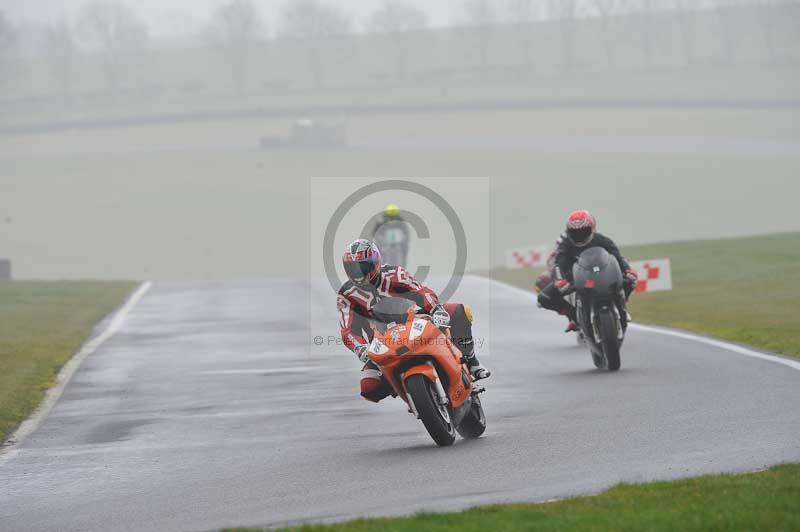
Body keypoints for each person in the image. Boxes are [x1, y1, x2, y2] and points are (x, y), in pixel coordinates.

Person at [337, 238, 490, 403]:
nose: (358, 273)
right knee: (369, 387)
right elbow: (347, 330)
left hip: (413, 322)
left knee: (459, 311)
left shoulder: (394, 274)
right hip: (381, 342)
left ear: (375, 262)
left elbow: (421, 292)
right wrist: (359, 347)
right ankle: (405, 389)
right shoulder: (346, 294)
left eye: (363, 267)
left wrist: (436, 309)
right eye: (353, 268)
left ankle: (472, 362)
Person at [537, 210, 638, 332]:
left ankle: (622, 307)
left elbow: (617, 257)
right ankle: (573, 316)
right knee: (544, 298)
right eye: (575, 232)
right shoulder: (566, 244)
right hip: (575, 276)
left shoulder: (601, 239)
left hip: (601, 272)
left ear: (591, 229)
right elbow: (559, 263)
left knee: (630, 280)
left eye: (583, 231)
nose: (579, 236)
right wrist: (560, 280)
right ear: (569, 232)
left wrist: (627, 270)